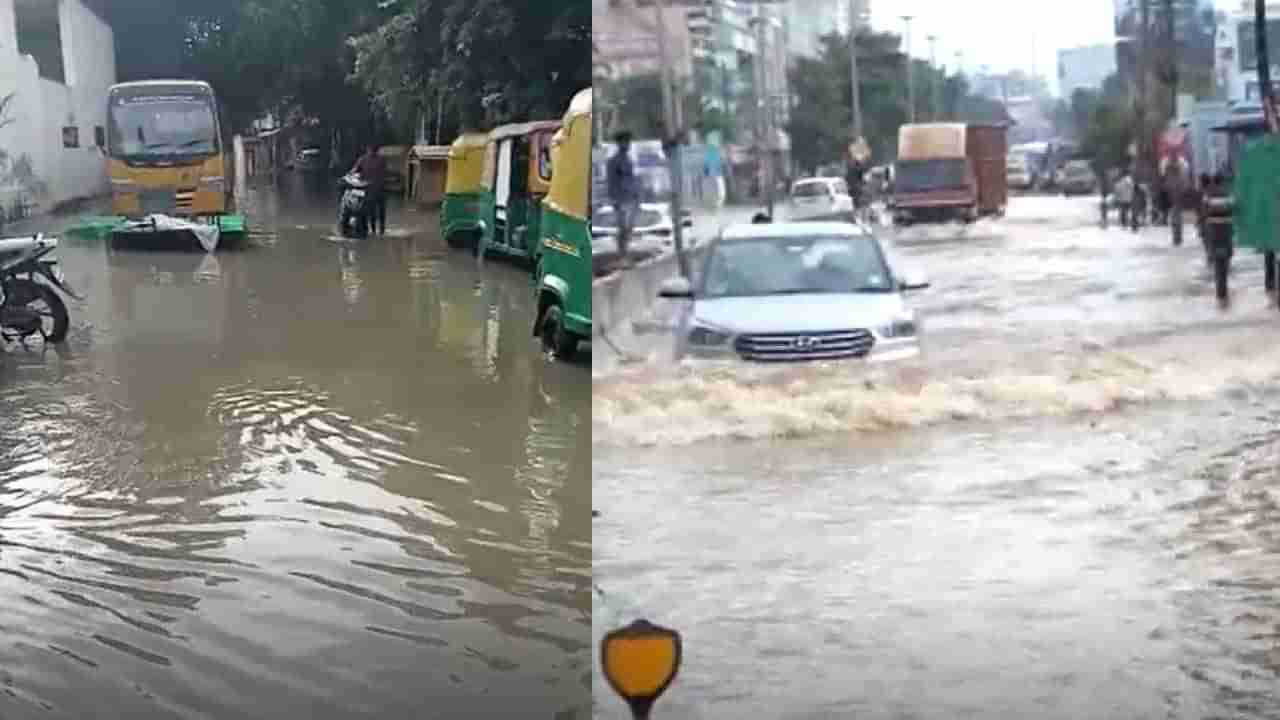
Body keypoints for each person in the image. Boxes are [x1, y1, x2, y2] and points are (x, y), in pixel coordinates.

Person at [607, 131, 639, 261]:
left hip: (631, 198)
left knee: (629, 228)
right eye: (625, 142)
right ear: (619, 143)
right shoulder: (613, 161)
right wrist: (615, 200)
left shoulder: (629, 160)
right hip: (621, 199)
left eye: (628, 142)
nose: (627, 144)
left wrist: (637, 196)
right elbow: (611, 182)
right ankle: (622, 255)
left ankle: (625, 253)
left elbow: (632, 179)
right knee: (623, 228)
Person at [350, 143, 387, 236]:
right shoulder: (381, 160)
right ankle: (380, 231)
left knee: (372, 212)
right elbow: (384, 173)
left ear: (368, 149)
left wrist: (352, 177)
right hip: (379, 189)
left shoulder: (363, 159)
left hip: (370, 189)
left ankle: (374, 231)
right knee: (379, 212)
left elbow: (354, 171)